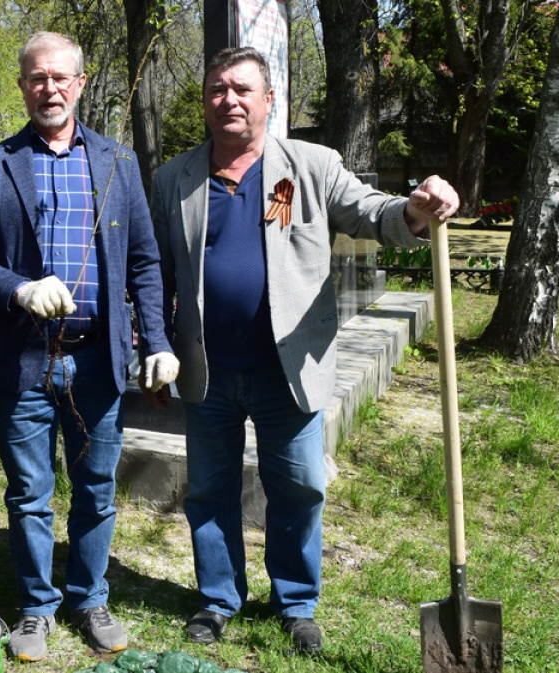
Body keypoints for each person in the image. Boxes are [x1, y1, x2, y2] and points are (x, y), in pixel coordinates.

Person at [147, 47, 459, 656]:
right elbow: (156, 270)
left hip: (289, 368)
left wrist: (415, 210)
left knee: (297, 488)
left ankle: (294, 602)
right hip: (207, 371)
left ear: (269, 100)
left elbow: (370, 211)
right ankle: (217, 598)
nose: (228, 100)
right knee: (209, 491)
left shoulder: (309, 166)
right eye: (216, 89)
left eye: (242, 89)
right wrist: (154, 346)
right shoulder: (174, 178)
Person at [0, 31, 179, 663]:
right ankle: (35, 607)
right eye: (35, 78)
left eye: (60, 78)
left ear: (79, 84)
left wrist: (156, 340)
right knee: (29, 493)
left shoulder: (117, 163)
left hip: (98, 362)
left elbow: (144, 262)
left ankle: (89, 596)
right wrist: (19, 289)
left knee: (96, 487)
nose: (48, 88)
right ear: (22, 85)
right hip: (23, 360)